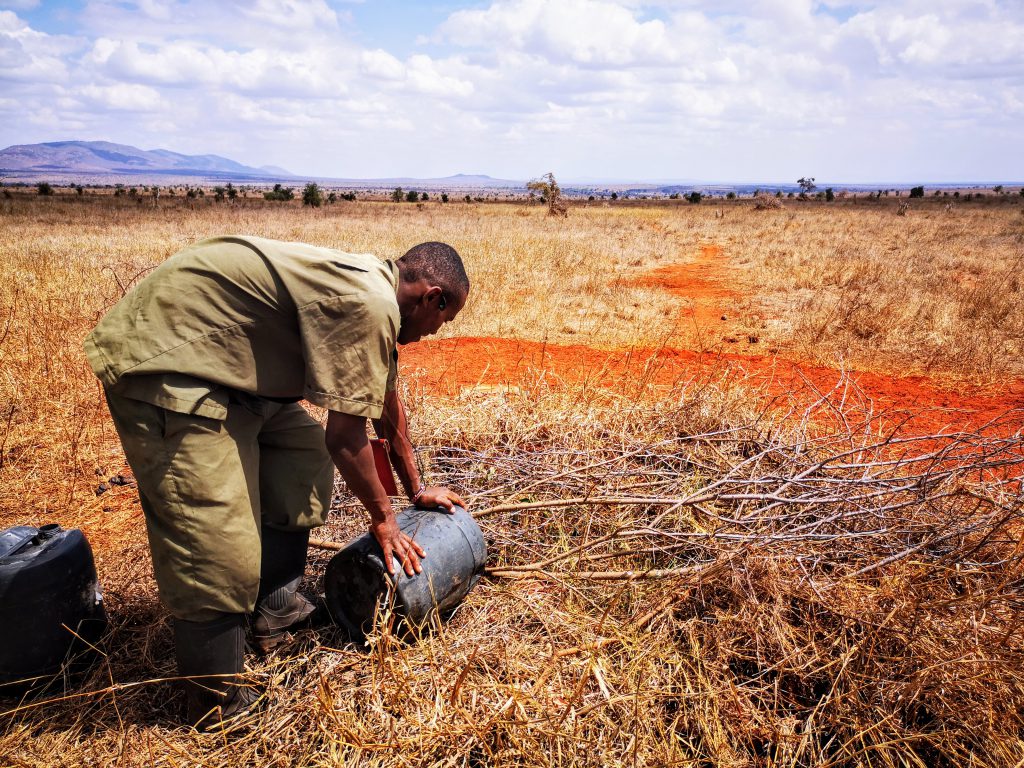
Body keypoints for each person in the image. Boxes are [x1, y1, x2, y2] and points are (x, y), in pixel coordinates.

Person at [83, 235, 468, 728]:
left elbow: (387, 408)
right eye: (445, 319)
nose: (437, 331)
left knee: (299, 457)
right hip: (169, 364)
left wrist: (416, 490)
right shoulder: (372, 303)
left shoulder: (380, 294)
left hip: (231, 373)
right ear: (434, 297)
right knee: (217, 538)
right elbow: (346, 438)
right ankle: (216, 704)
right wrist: (385, 521)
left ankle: (276, 610)